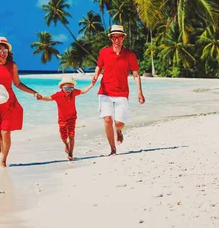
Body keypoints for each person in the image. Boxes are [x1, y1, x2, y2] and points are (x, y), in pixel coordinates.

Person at [0, 36, 42, 167]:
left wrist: (34, 92)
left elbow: (18, 84)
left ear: (8, 52)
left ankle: (4, 160)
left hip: (8, 103)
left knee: (6, 133)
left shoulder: (12, 65)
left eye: (5, 50)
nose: (2, 53)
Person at [91, 24, 145, 156]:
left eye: (119, 37)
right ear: (111, 39)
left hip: (121, 92)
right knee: (107, 120)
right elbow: (99, 66)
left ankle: (119, 131)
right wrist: (95, 75)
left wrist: (139, 92)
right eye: (114, 37)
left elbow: (136, 74)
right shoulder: (104, 52)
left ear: (123, 38)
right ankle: (113, 149)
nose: (117, 40)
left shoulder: (130, 55)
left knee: (119, 123)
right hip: (105, 92)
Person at [37, 75, 94, 160]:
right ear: (62, 87)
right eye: (67, 88)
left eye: (71, 89)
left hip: (72, 117)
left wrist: (92, 84)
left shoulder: (74, 92)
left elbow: (83, 91)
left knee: (71, 135)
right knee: (63, 136)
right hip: (62, 119)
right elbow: (49, 98)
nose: (69, 91)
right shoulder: (58, 95)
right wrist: (41, 98)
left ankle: (71, 154)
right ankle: (66, 144)